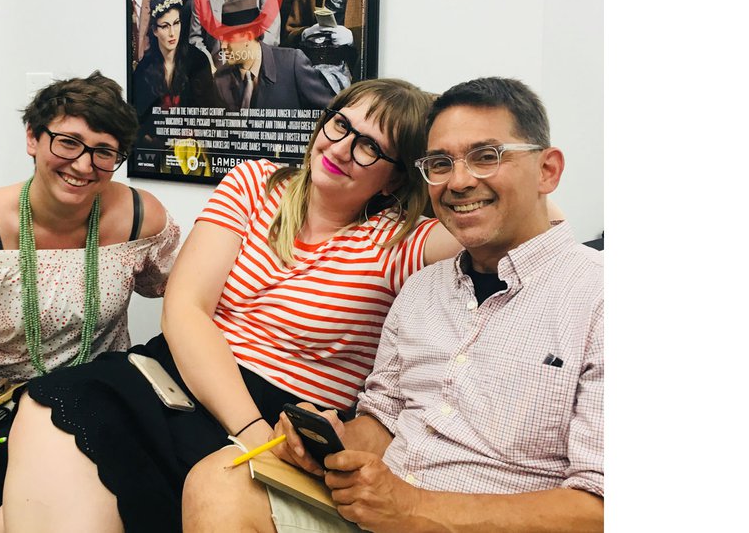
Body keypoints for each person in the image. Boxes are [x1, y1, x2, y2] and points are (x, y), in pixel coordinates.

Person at [0, 78, 474, 532]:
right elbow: (185, 307)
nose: (341, 148)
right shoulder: (255, 182)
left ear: (395, 178)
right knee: (48, 406)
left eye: (370, 147)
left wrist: (454, 150)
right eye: (340, 124)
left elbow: (519, 226)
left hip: (284, 414)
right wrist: (249, 429)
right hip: (180, 376)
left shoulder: (402, 239)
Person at [182, 76, 603, 533]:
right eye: (440, 163)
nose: (459, 181)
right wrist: (333, 439)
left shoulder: (599, 298)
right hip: (374, 513)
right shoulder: (420, 292)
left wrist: (413, 507)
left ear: (547, 171)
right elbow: (381, 421)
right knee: (218, 479)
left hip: (474, 518)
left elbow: (602, 509)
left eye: (487, 157)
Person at [0, 72, 180, 533]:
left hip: (99, 392)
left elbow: (179, 292)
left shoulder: (141, 218)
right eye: (67, 143)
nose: (84, 165)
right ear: (33, 139)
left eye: (104, 152)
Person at [132, 0, 223, 173]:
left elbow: (209, 112)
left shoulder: (197, 60)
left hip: (195, 153)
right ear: (155, 30)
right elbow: (138, 119)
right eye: (165, 26)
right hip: (155, 155)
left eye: (176, 23)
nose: (173, 33)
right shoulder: (144, 67)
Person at [212, 0, 334, 112]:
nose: (222, 46)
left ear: (249, 35)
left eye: (229, 38)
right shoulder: (220, 78)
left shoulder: (292, 64)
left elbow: (331, 109)